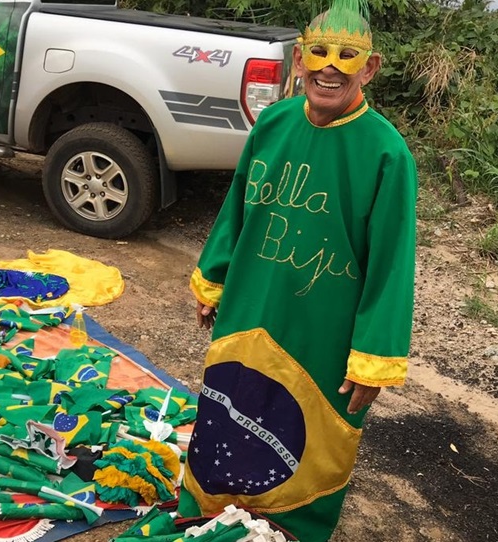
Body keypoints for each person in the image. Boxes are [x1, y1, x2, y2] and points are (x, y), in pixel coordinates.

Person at [177, 0, 418, 540]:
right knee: (233, 402)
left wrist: (374, 356)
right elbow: (237, 207)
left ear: (369, 68)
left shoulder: (387, 154)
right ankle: (209, 505)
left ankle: (288, 528)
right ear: (299, 59)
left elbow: (393, 265)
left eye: (347, 55)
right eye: (319, 52)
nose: (330, 66)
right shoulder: (273, 122)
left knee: (307, 431)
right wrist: (213, 279)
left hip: (323, 328)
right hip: (252, 302)